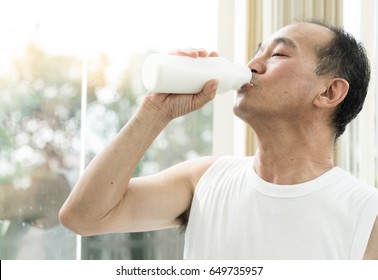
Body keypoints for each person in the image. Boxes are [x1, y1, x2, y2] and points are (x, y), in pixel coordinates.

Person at [59, 20, 378, 260]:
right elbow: (82, 216)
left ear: (329, 92)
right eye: (257, 52)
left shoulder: (367, 215)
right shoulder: (203, 180)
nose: (253, 65)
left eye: (278, 54)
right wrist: (155, 111)